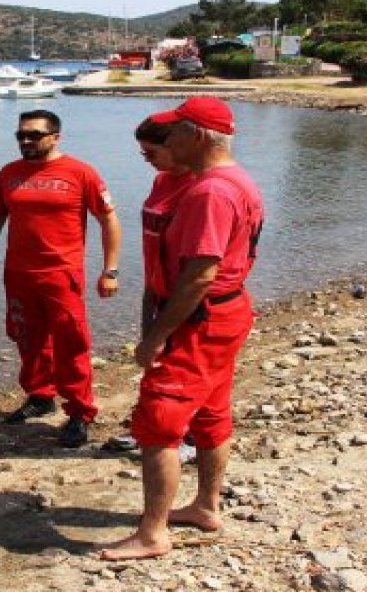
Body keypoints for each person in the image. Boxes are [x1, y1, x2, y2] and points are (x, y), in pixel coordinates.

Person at [100, 97, 264, 561]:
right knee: (211, 411)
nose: (165, 141)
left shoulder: (211, 191)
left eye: (173, 133)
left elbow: (199, 275)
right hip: (226, 314)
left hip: (201, 319)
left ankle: (152, 534)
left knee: (158, 424)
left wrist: (154, 337)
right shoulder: (232, 180)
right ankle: (206, 506)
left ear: (196, 137)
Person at [0, 109, 122, 447]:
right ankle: (39, 396)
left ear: (55, 137)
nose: (26, 141)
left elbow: (109, 220)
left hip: (62, 274)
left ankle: (79, 413)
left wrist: (110, 270)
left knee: (72, 343)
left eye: (34, 134)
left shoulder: (80, 173)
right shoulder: (9, 174)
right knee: (26, 338)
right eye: (21, 135)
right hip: (18, 273)